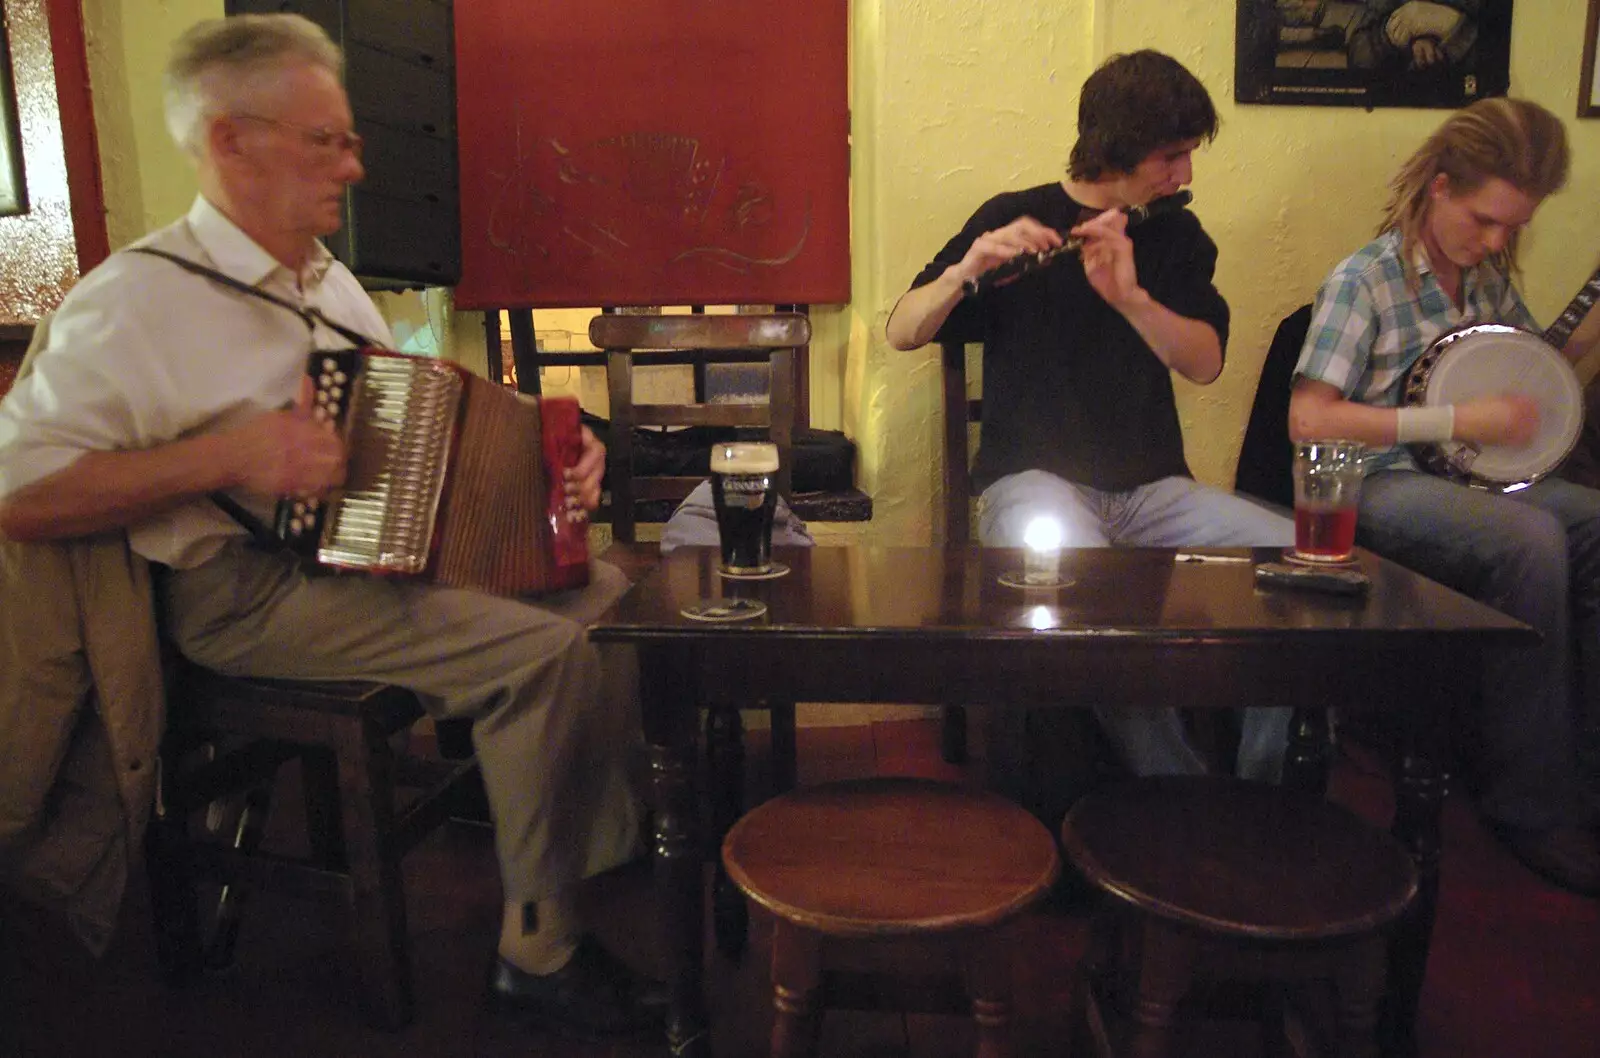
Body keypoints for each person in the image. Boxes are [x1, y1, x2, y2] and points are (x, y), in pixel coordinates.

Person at [0, 14, 664, 1037]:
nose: (354, 166)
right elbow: (18, 492)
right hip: (242, 593)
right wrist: (231, 455)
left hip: (360, 557)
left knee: (607, 591)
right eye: (327, 141)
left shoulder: (327, 280)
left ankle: (576, 844)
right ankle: (538, 948)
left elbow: (411, 427)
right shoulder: (133, 300)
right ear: (230, 140)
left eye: (349, 140)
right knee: (541, 653)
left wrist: (549, 467)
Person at [885, 50, 1294, 789]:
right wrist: (965, 269)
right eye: (1172, 156)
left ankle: (1263, 787)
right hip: (1032, 483)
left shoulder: (1174, 237)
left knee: (1304, 566)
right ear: (1117, 147)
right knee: (1080, 582)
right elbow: (903, 330)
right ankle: (1177, 786)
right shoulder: (1012, 217)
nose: (1186, 175)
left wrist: (1131, 298)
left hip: (1154, 492)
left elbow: (1204, 362)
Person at [1291, 97, 1600, 896]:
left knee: (1593, 522)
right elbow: (1310, 416)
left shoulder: (1490, 277)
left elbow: (1532, 373)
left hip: (1469, 480)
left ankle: (1583, 770)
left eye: (1514, 228)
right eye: (1485, 220)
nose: (1498, 241)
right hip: (1382, 483)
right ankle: (1529, 806)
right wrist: (1459, 418)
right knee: (1528, 541)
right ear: (1438, 186)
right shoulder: (1366, 279)